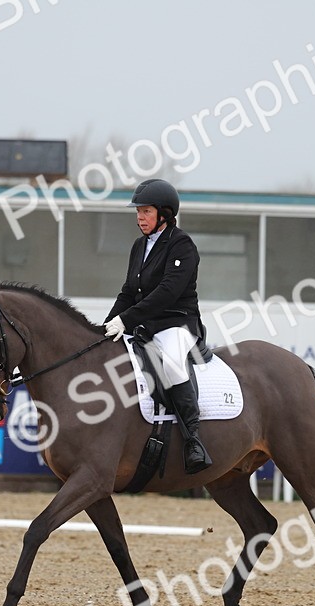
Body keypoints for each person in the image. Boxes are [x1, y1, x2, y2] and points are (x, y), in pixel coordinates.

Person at [104, 178, 212, 474]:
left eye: (146, 212)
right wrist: (107, 324)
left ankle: (193, 440)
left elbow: (167, 292)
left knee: (173, 363)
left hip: (177, 323)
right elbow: (128, 292)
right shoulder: (139, 246)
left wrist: (126, 319)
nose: (140, 217)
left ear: (164, 213)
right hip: (145, 324)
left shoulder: (182, 244)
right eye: (138, 212)